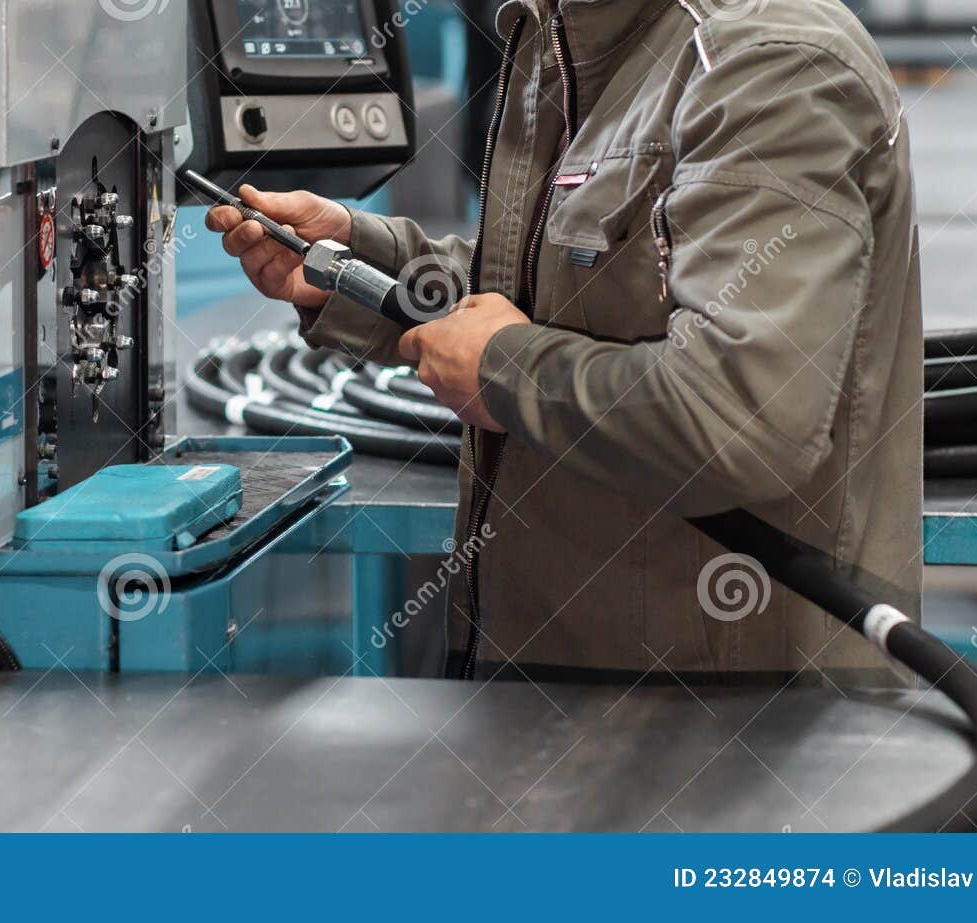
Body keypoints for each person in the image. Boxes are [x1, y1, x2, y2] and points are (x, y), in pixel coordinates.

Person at [206, 0, 921, 685]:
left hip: (727, 716)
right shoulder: (570, 33)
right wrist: (354, 263)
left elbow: (740, 415)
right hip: (567, 683)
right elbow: (549, 291)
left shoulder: (770, 60)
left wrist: (504, 370)